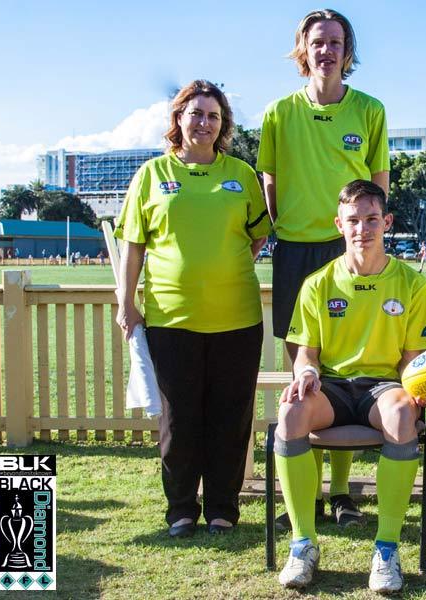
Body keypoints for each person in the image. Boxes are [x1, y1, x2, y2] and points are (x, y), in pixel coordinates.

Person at [115, 80, 270, 538]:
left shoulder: (241, 174)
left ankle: (223, 508)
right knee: (179, 419)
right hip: (171, 319)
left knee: (231, 415)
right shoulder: (150, 175)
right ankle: (181, 508)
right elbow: (133, 245)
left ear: (223, 126)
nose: (204, 122)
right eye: (196, 113)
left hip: (237, 319)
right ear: (178, 119)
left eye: (213, 116)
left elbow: (258, 234)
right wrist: (127, 303)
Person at [257, 8, 390, 529]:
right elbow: (270, 184)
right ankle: (307, 492)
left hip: (352, 250)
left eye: (336, 41)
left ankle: (340, 492)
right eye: (318, 41)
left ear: (347, 52)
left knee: (347, 366)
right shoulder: (277, 113)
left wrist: (364, 236)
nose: (327, 50)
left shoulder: (371, 110)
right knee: (303, 373)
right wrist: (291, 228)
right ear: (302, 49)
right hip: (296, 250)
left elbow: (377, 184)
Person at [274, 180, 426, 592]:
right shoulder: (318, 283)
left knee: (403, 414)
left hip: (381, 387)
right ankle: (302, 543)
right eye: (353, 220)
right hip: (330, 386)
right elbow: (306, 352)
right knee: (291, 412)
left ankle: (386, 548)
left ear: (386, 222)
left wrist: (417, 389)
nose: (362, 229)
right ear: (339, 224)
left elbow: (411, 360)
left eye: (371, 219)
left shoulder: (412, 283)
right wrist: (306, 373)